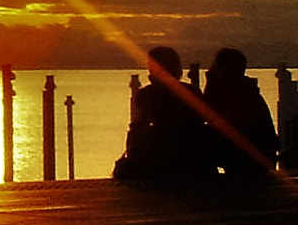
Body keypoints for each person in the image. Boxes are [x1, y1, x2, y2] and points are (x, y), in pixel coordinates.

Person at [113, 46, 215, 180]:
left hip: (161, 151)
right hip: (192, 150)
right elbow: (201, 121)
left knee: (136, 131)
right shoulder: (192, 91)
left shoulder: (147, 94)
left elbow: (141, 124)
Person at [200, 47, 279, 176]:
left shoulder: (228, 91)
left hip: (244, 154)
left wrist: (210, 81)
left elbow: (205, 113)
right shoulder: (249, 90)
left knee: (199, 140)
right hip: (262, 153)